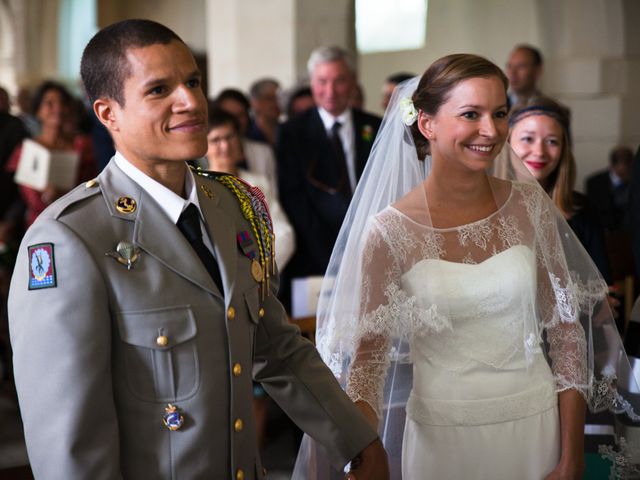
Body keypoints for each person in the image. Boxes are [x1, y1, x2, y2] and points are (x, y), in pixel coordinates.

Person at [8, 19, 388, 480]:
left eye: (192, 82)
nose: (190, 101)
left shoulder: (231, 205)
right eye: (159, 90)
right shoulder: (71, 238)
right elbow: (72, 443)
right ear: (108, 113)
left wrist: (355, 440)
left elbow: (275, 347)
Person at [295, 54, 639, 479]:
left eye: (499, 113)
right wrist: (364, 451)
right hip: (443, 440)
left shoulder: (529, 205)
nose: (491, 131)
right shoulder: (388, 232)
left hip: (534, 427)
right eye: (471, 114)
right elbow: (368, 363)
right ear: (427, 124)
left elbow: (567, 335)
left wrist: (570, 458)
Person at [276, 45, 382, 280]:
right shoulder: (291, 132)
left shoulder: (374, 126)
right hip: (316, 261)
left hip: (373, 250)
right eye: (322, 81)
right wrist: (334, 257)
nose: (330, 91)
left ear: (353, 81)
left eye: (339, 81)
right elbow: (295, 200)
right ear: (312, 83)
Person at [509, 96, 612, 284]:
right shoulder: (484, 204)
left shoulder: (583, 209)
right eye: (527, 139)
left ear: (564, 149)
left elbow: (603, 288)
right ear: (507, 143)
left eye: (552, 141)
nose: (539, 151)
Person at [204, 107, 295, 270]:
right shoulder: (197, 186)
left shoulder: (256, 183)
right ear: (204, 146)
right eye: (216, 140)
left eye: (229, 137)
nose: (225, 146)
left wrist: (257, 271)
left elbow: (284, 234)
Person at [6, 80, 97, 227]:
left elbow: (92, 185)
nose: (58, 108)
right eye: (49, 104)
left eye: (62, 103)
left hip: (77, 222)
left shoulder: (82, 146)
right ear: (37, 111)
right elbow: (21, 198)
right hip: (39, 225)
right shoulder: (26, 150)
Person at [215, 88, 279, 195]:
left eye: (240, 115)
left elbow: (273, 195)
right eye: (228, 115)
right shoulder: (205, 153)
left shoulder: (264, 152)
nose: (235, 121)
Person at [585, 145, 633, 232]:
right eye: (621, 173)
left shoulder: (635, 180)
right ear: (612, 166)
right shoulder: (594, 183)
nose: (626, 175)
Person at [506, 44, 543, 108]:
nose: (512, 73)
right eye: (509, 66)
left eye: (520, 66)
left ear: (537, 70)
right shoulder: (497, 109)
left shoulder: (553, 110)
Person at [248, 78, 281, 146]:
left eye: (280, 98)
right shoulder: (246, 135)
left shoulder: (289, 131)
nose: (276, 103)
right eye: (269, 99)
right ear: (254, 103)